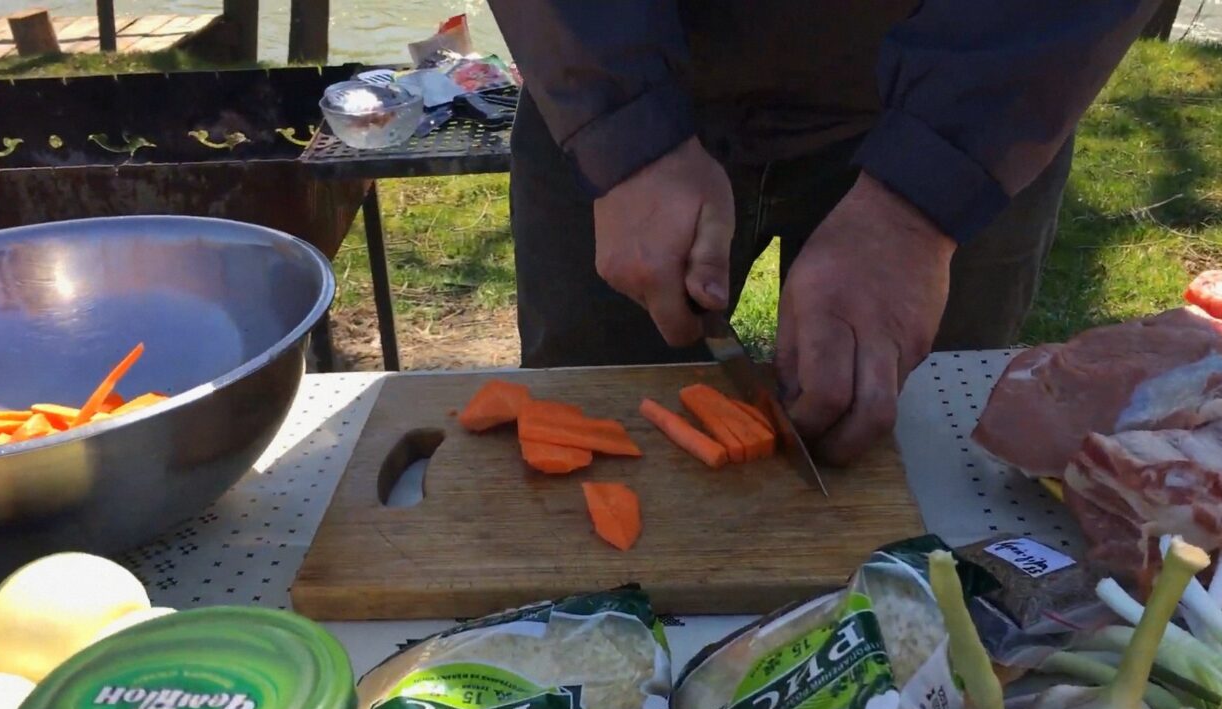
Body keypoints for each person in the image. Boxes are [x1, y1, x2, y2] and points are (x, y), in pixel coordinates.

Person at [487, 1, 1161, 465]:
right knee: (580, 441)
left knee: (927, 464)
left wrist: (925, 192)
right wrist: (624, 129)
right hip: (612, 77)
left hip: (981, 95)